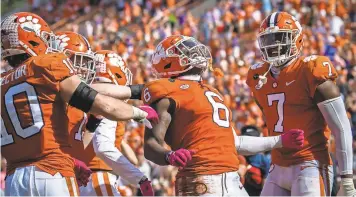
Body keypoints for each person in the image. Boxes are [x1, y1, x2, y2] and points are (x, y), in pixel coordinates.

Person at [1, 12, 158, 196]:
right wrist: (139, 113)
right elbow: (99, 102)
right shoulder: (46, 64)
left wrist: (75, 160)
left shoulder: (3, 82)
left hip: (13, 180)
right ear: (32, 39)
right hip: (53, 172)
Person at [142, 35, 304, 196]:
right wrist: (169, 156)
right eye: (182, 50)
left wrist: (280, 140)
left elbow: (236, 142)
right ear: (167, 61)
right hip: (200, 179)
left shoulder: (211, 90)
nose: (194, 50)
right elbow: (150, 145)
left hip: (232, 179)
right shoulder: (164, 91)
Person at [246, 11, 356, 196]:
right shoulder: (257, 76)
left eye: (280, 38)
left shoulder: (310, 70)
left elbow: (341, 127)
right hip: (277, 165)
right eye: (269, 39)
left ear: (296, 39)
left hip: (310, 163)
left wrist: (346, 178)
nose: (274, 45)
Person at [79, 50, 154, 196]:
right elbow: (103, 148)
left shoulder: (80, 98)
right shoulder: (106, 103)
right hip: (97, 178)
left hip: (80, 177)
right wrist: (140, 178)